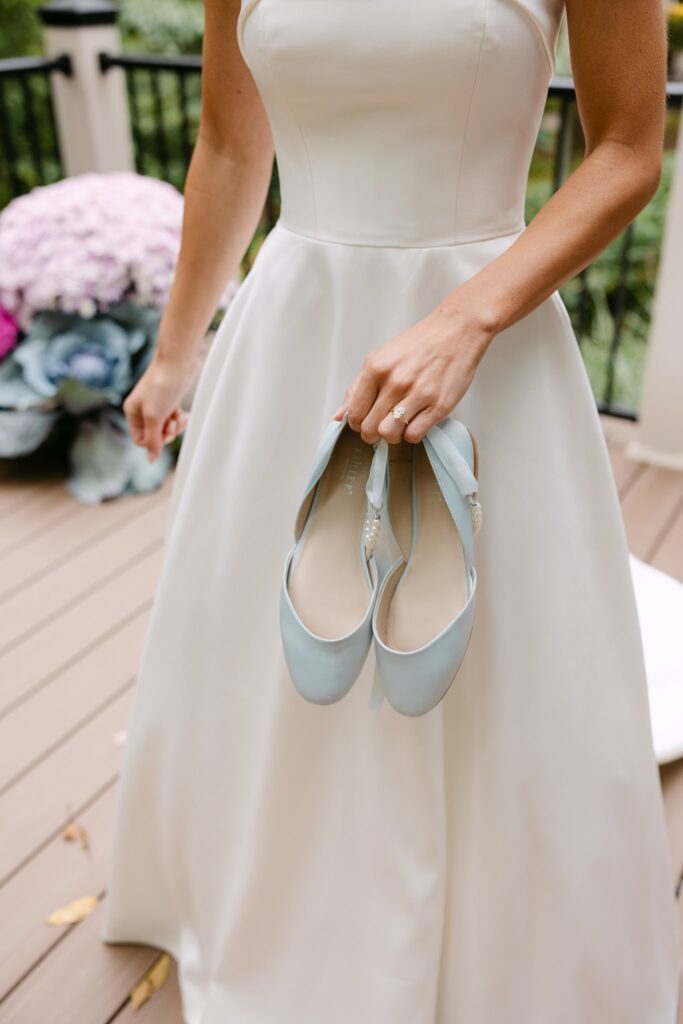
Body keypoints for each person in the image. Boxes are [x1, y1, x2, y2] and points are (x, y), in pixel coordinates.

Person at [100, 0, 682, 1019]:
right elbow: (231, 148)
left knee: (483, 660)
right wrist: (177, 349)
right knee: (274, 646)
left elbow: (629, 148)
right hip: (292, 341)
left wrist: (466, 317)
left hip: (483, 338)